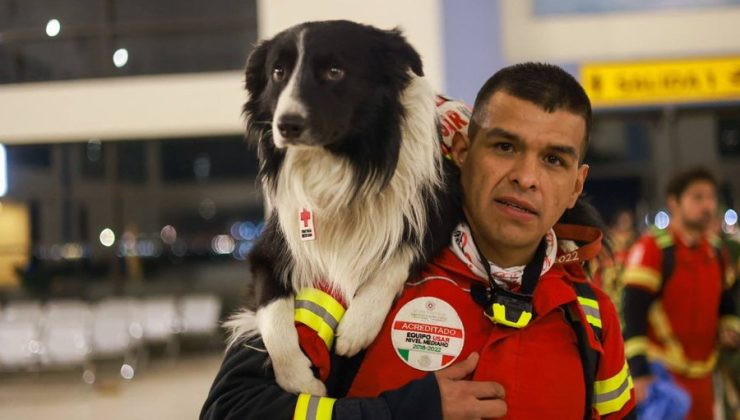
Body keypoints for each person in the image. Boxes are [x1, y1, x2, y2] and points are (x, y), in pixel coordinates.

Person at [201, 63, 636, 419]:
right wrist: (403, 412)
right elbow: (232, 410)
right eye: (505, 147)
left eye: (553, 159)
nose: (526, 177)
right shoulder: (354, 273)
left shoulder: (591, 316)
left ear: (577, 186)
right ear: (463, 152)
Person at [621, 168, 740, 420]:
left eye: (710, 197)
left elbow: (726, 300)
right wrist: (640, 373)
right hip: (664, 379)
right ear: (674, 202)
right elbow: (632, 314)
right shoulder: (651, 249)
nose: (708, 205)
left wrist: (729, 327)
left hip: (705, 376)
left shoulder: (716, 251)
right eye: (697, 197)